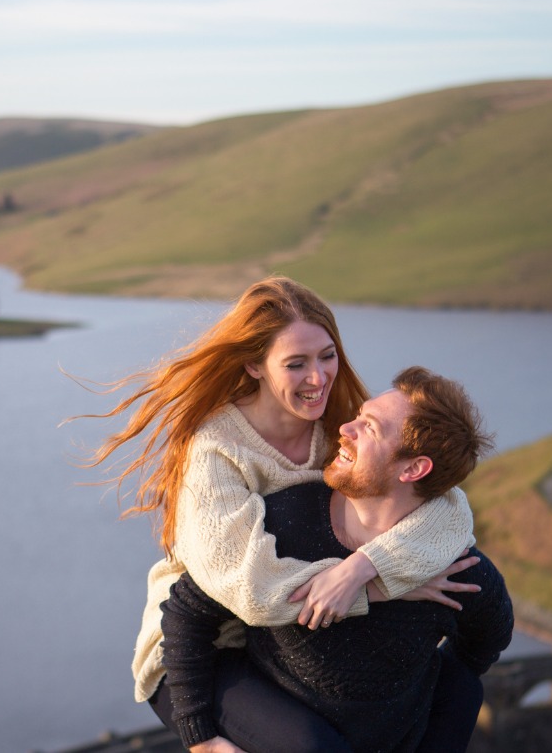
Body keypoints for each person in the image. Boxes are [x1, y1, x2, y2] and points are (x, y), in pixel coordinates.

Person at [80, 277, 476, 728]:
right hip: (202, 649)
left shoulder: (339, 428)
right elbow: (253, 590)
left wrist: (364, 566)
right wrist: (383, 587)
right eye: (296, 364)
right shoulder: (217, 450)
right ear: (254, 365)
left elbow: (447, 509)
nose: (318, 377)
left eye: (328, 356)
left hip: (280, 645)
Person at [157, 367, 514, 752]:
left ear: (414, 469)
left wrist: (429, 701)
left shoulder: (450, 566)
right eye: (358, 416)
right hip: (288, 728)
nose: (346, 429)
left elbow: (487, 636)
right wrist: (201, 739)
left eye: (370, 428)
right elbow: (187, 612)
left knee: (463, 692)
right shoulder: (284, 521)